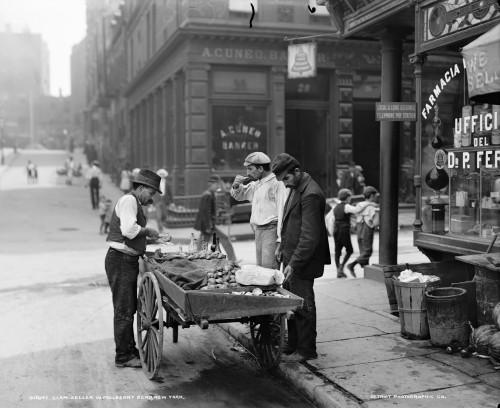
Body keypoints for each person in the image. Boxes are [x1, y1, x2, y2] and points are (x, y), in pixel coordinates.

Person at [271, 153, 331, 363]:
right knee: (291, 301)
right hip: (292, 256)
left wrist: (294, 263)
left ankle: (306, 349)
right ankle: (293, 342)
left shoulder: (310, 194)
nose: (285, 184)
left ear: (296, 171)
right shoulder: (297, 187)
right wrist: (282, 246)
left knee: (304, 304)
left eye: (286, 179)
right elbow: (291, 222)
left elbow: (309, 237)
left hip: (303, 260)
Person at [104, 169, 161, 368]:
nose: (151, 198)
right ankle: (123, 356)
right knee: (123, 309)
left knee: (128, 307)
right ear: (141, 188)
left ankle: (128, 349)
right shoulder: (129, 201)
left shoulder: (134, 202)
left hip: (125, 260)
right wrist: (149, 231)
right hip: (120, 260)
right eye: (151, 194)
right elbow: (128, 231)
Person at [230, 152, 287, 269]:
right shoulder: (257, 184)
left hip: (271, 230)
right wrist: (236, 185)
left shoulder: (277, 184)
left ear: (260, 168)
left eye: (250, 169)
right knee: (261, 271)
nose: (247, 173)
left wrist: (280, 240)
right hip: (258, 231)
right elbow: (240, 195)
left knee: (269, 272)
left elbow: (283, 211)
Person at [332, 188, 374, 278]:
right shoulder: (346, 206)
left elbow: (330, 218)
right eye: (349, 197)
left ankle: (338, 271)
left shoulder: (335, 206)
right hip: (344, 231)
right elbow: (357, 210)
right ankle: (342, 266)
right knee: (349, 250)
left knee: (337, 251)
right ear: (347, 198)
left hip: (336, 230)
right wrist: (368, 203)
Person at [194, 175, 237, 262]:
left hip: (207, 224)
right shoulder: (208, 195)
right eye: (216, 185)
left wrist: (217, 214)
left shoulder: (210, 194)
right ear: (211, 184)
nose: (218, 187)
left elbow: (208, 211)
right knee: (224, 239)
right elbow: (206, 212)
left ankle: (195, 258)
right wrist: (208, 226)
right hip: (208, 225)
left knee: (202, 242)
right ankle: (232, 259)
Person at [345, 186, 380, 277]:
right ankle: (351, 265)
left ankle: (366, 271)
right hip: (367, 228)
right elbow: (376, 222)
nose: (376, 197)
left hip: (359, 228)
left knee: (362, 251)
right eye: (375, 196)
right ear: (372, 196)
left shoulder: (359, 205)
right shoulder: (372, 207)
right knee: (368, 251)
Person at [152, 168, 173, 233]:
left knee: (165, 216)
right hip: (157, 201)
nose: (161, 175)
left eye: (163, 174)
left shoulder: (167, 183)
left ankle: (161, 222)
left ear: (165, 175)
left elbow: (170, 193)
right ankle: (160, 229)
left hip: (164, 201)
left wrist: (172, 202)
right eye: (160, 174)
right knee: (158, 216)